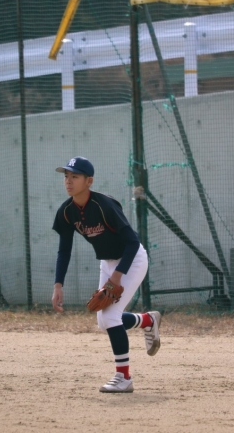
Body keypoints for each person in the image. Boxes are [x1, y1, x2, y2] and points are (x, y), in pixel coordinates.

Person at [51, 156, 162, 393]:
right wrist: (58, 284)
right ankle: (147, 321)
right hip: (108, 262)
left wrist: (118, 276)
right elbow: (64, 250)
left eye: (75, 176)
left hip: (131, 260)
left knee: (111, 317)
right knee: (104, 322)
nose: (68, 181)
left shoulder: (104, 205)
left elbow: (132, 242)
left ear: (89, 181)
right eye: (66, 176)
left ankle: (124, 378)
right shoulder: (67, 211)